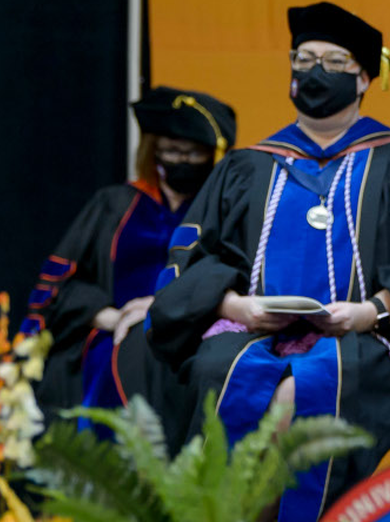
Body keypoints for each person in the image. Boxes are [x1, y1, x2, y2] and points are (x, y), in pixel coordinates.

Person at [147, 2, 390, 522]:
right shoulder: (249, 166)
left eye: (333, 61)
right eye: (304, 58)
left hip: (362, 340)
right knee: (223, 371)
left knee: (300, 392)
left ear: (364, 77)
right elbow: (193, 262)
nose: (315, 71)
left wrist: (371, 311)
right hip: (252, 332)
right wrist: (235, 306)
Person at [26, 86, 235, 429]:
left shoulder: (221, 209)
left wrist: (161, 307)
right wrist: (109, 315)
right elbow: (63, 284)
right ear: (153, 152)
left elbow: (233, 275)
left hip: (195, 330)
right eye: (171, 151)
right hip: (114, 332)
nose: (182, 161)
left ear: (213, 155)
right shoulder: (114, 204)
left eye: (194, 154)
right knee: (108, 367)